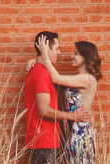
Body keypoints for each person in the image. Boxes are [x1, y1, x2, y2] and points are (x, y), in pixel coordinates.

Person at [34, 35, 102, 164]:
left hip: (80, 131)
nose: (72, 56)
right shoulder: (77, 78)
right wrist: (37, 60)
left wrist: (44, 55)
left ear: (85, 57)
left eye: (76, 54)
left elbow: (56, 78)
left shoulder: (87, 79)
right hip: (71, 129)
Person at [25, 31, 86, 164]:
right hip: (44, 142)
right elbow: (44, 110)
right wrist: (72, 116)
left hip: (40, 142)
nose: (59, 53)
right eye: (57, 48)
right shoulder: (42, 73)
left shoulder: (37, 70)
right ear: (46, 49)